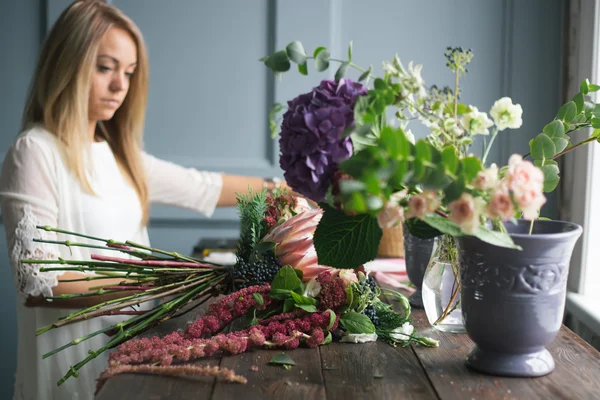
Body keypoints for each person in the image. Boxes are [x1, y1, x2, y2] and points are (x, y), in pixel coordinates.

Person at [0, 1, 295, 399]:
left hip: (134, 364)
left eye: (129, 72)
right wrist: (154, 280)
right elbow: (38, 282)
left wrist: (293, 188)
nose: (120, 86)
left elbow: (202, 186)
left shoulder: (119, 155)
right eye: (105, 68)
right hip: (73, 379)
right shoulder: (35, 152)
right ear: (66, 63)